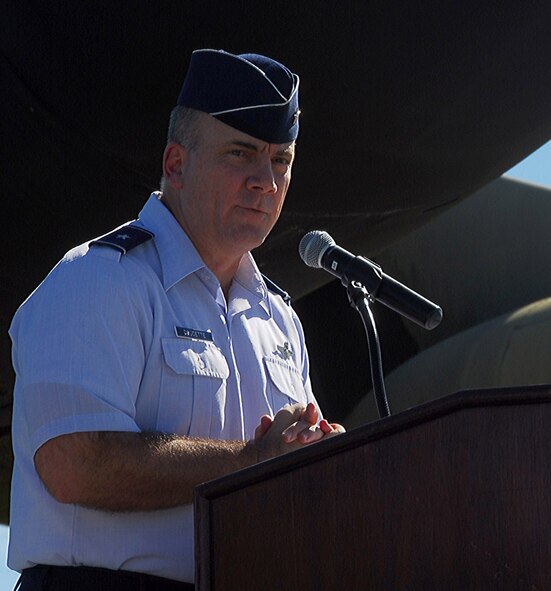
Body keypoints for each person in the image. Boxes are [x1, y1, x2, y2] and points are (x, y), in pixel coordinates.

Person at [7, 49, 343, 590]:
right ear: (175, 165)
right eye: (241, 153)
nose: (265, 180)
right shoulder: (97, 280)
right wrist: (255, 459)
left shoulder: (278, 320)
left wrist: (325, 461)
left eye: (281, 160)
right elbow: (76, 463)